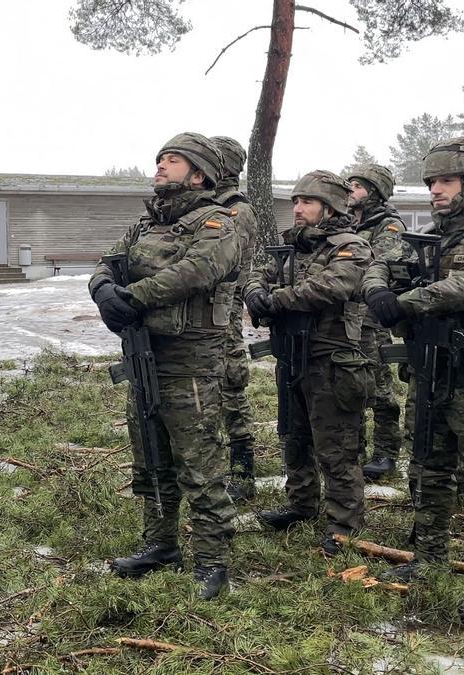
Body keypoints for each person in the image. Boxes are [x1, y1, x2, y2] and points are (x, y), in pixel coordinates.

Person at [362, 136, 464, 625]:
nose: (434, 190)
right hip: (431, 370)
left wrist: (406, 302)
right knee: (428, 471)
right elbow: (378, 263)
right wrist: (378, 291)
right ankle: (429, 558)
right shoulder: (427, 237)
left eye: (445, 181)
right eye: (431, 181)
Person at [90, 132, 239, 600]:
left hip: (189, 362)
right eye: (159, 159)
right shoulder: (144, 224)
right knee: (150, 456)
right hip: (143, 355)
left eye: (172, 160)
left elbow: (195, 271)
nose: (160, 166)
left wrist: (130, 297)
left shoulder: (217, 223)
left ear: (198, 174)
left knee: (199, 462)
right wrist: (102, 292)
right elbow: (106, 264)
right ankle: (160, 544)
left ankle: (212, 560)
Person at [246, 170, 373, 554]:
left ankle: (344, 522)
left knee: (335, 444)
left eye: (308, 202)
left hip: (331, 359)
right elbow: (256, 275)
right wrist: (255, 294)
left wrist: (277, 300)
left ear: (330, 207)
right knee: (294, 435)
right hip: (291, 355)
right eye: (296, 201)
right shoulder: (290, 247)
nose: (298, 209)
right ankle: (301, 503)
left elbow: (334, 285)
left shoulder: (350, 245)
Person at [342, 164, 407, 482]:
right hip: (343, 318)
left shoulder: (389, 225)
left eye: (357, 185)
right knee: (349, 387)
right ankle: (354, 447)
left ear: (375, 191)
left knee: (380, 388)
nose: (349, 189)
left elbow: (376, 264)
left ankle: (386, 451)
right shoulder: (346, 224)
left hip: (370, 319)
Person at [210, 135, 259, 502]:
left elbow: (229, 263)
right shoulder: (207, 205)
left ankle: (243, 469)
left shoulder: (235, 209)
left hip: (222, 311)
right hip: (202, 313)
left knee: (230, 385)